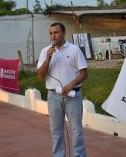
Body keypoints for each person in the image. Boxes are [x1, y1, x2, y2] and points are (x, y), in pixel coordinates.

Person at [37, 22, 88, 157]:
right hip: (53, 97)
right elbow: (41, 76)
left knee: (76, 131)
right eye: (51, 33)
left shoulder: (74, 50)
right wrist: (48, 58)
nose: (53, 36)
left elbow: (84, 73)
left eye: (56, 32)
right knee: (56, 132)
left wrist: (71, 84)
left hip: (73, 95)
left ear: (63, 33)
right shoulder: (45, 52)